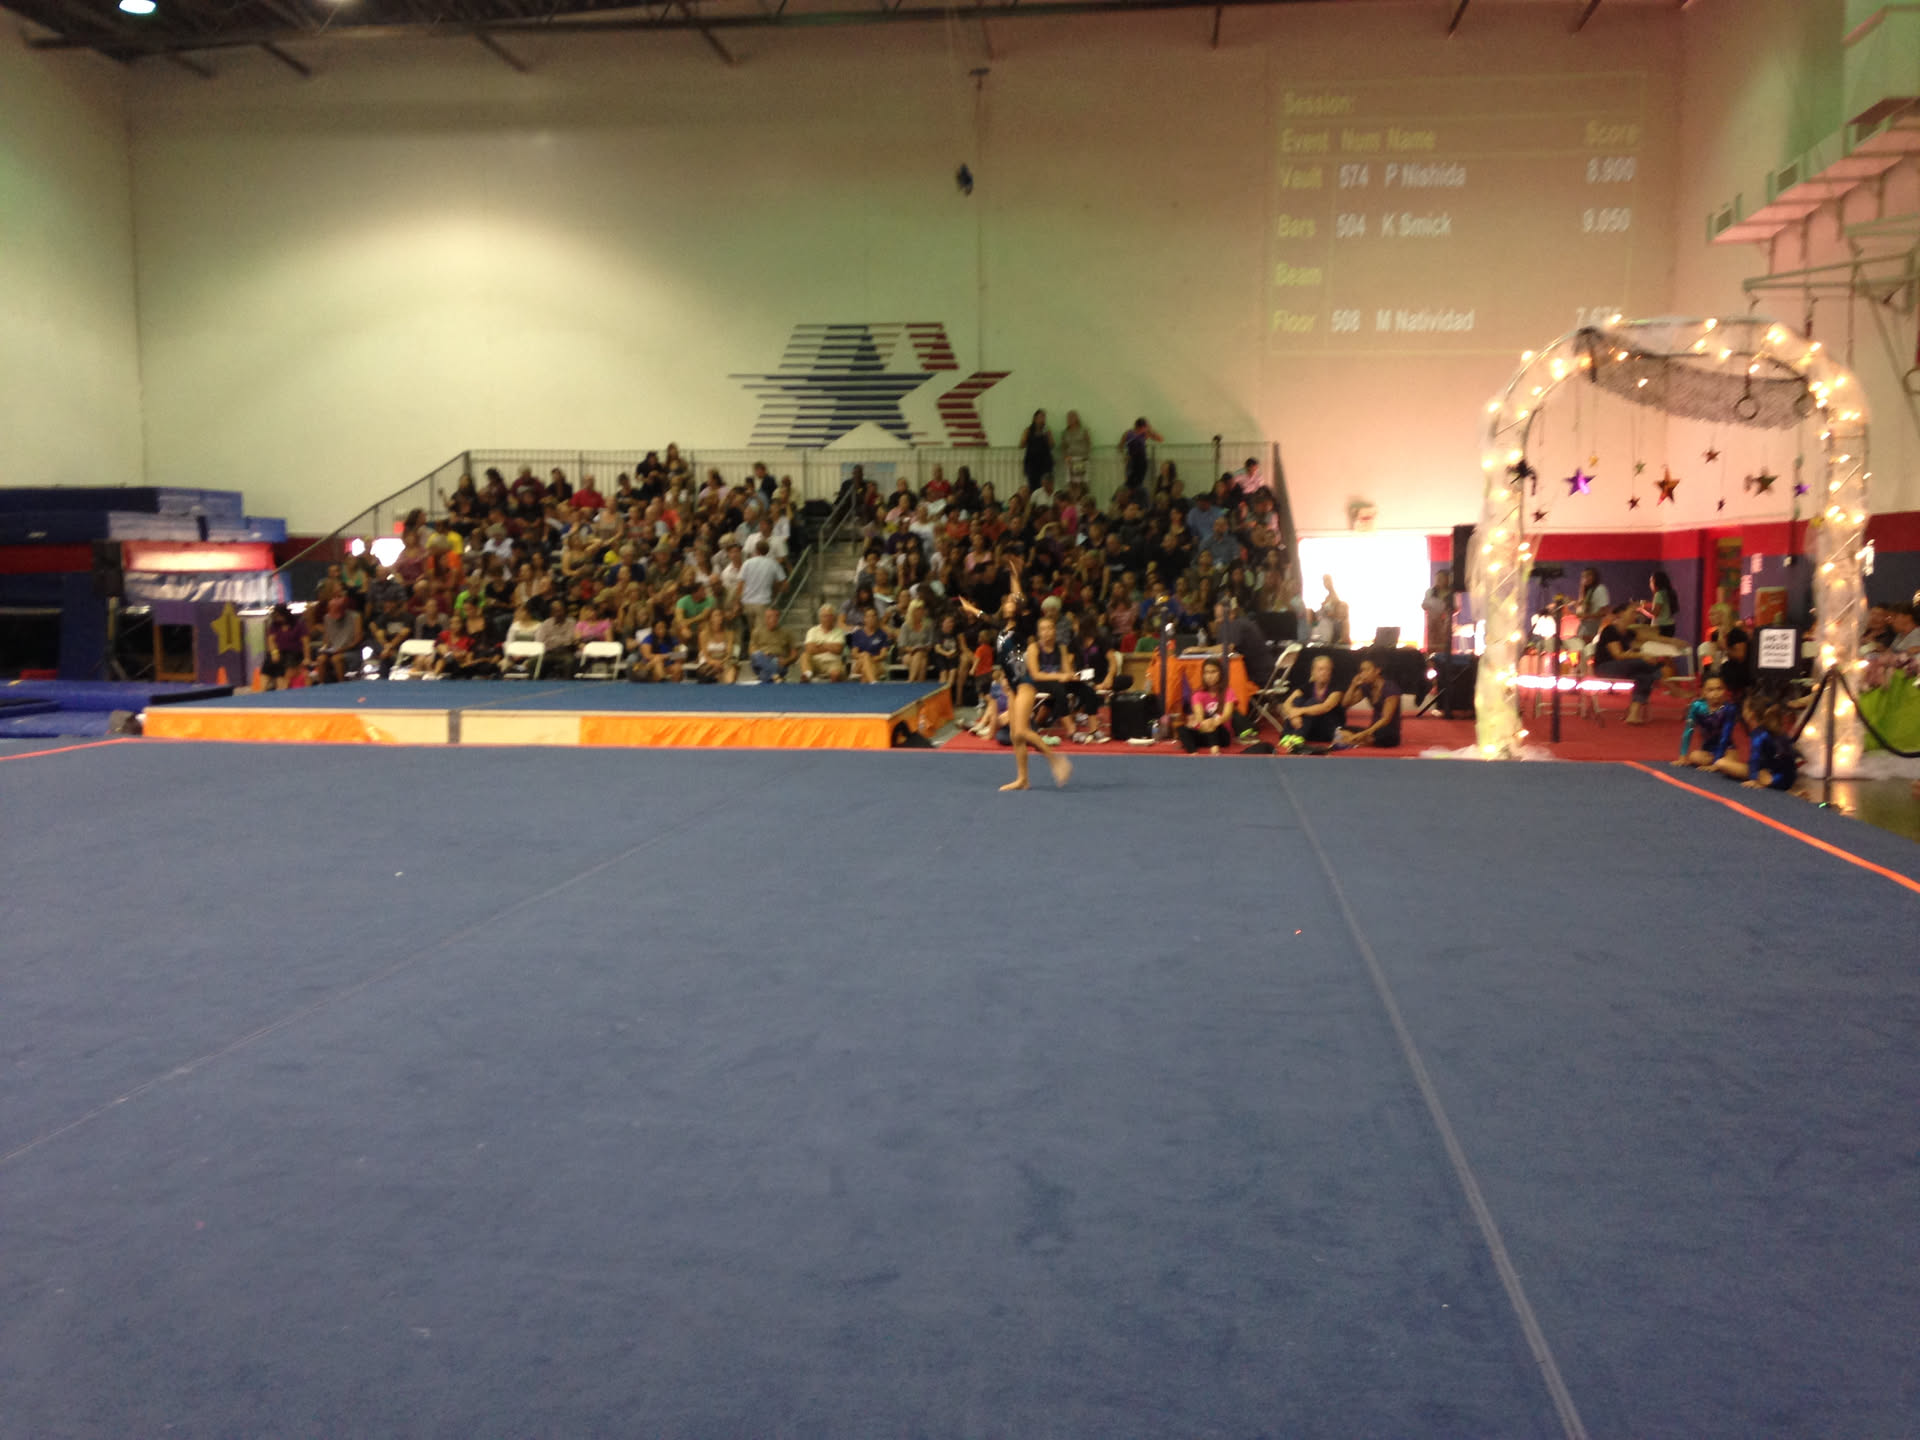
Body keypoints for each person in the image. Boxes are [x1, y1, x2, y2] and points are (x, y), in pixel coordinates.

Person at [959, 588, 1070, 791]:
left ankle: (1056, 760)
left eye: (1012, 601)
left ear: (1017, 607)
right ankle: (1023, 779)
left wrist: (1015, 580)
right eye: (1006, 601)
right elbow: (987, 617)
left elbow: (1020, 599)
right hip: (1011, 685)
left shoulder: (1022, 626)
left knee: (1022, 731)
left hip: (1025, 682)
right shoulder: (1002, 627)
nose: (1008, 603)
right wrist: (970, 609)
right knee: (1015, 736)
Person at [1593, 598, 1660, 724]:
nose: (1636, 615)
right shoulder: (1610, 630)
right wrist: (1642, 656)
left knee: (1644, 675)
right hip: (1605, 667)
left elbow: (1644, 640)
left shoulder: (1629, 633)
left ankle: (1633, 714)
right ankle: (1667, 681)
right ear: (1621, 613)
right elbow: (1618, 655)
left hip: (1626, 666)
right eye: (1633, 612)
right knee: (1647, 664)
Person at [1674, 674, 1739, 770]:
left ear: (1725, 690)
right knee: (1693, 756)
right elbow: (1688, 730)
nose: (1715, 693)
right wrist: (1682, 756)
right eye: (1710, 690)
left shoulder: (1729, 708)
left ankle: (1719, 762)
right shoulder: (1696, 707)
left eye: (1719, 689)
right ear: (1703, 692)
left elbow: (1725, 736)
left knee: (1728, 760)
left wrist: (1715, 764)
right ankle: (1719, 763)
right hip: (1708, 750)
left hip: (1727, 749)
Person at [1280, 654, 1345, 748]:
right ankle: (1288, 735)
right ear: (1313, 672)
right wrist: (1294, 716)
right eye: (1320, 669)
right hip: (1309, 727)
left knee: (1313, 701)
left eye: (1327, 669)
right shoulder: (1308, 686)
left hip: (1328, 728)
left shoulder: (1337, 688)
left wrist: (1299, 711)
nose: (1323, 672)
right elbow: (1287, 703)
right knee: (1297, 701)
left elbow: (1325, 707)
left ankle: (1298, 736)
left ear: (1331, 672)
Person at [1335, 657, 1401, 748]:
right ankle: (1358, 740)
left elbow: (1386, 719)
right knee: (1340, 729)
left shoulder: (1390, 688)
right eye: (1361, 671)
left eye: (1367, 670)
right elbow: (1345, 704)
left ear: (1377, 671)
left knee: (1382, 734)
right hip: (1372, 730)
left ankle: (1356, 740)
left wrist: (1364, 733)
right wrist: (1353, 685)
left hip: (1388, 732)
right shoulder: (1366, 687)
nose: (1363, 674)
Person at [1178, 656, 1240, 754]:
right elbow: (1200, 718)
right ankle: (1193, 753)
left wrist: (1214, 722)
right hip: (1205, 732)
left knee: (1210, 719)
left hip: (1222, 735)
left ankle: (1215, 750)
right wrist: (1205, 723)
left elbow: (1226, 715)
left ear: (1220, 673)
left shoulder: (1228, 691)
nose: (1209, 676)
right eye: (1206, 673)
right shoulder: (1197, 694)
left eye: (1213, 672)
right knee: (1181, 729)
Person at [313, 594, 364, 684]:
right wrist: (324, 649)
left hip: (351, 651)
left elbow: (358, 639)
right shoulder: (327, 618)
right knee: (321, 659)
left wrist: (342, 649)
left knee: (336, 659)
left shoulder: (355, 617)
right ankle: (321, 685)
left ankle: (341, 684)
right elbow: (326, 640)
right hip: (334, 650)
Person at [748, 607, 796, 683]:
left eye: (775, 616)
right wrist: (763, 656)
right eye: (769, 617)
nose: (772, 619)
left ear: (778, 618)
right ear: (765, 618)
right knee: (757, 655)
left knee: (765, 674)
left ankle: (769, 676)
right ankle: (775, 676)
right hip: (760, 662)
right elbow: (752, 651)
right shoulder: (757, 631)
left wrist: (786, 661)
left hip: (779, 662)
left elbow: (794, 654)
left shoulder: (787, 633)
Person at [802, 604, 850, 682]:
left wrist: (819, 645)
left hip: (833, 662)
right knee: (804, 655)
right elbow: (809, 649)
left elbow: (838, 650)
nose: (827, 619)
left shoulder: (839, 632)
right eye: (824, 616)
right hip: (815, 662)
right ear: (820, 618)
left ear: (834, 617)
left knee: (836, 674)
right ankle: (807, 675)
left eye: (829, 616)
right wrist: (830, 646)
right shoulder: (812, 631)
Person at [1118, 417, 1163, 497]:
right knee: (1129, 483)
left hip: (1141, 462)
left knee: (1138, 483)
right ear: (1138, 427)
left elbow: (1160, 439)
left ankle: (1134, 497)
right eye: (1144, 427)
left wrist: (1151, 430)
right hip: (1132, 461)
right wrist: (1124, 456)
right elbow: (1120, 447)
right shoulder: (1128, 433)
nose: (1143, 430)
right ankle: (1126, 497)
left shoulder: (1145, 433)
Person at [847, 607, 891, 684]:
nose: (871, 619)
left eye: (873, 616)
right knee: (866, 657)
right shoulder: (857, 634)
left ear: (876, 618)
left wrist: (869, 659)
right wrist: (865, 656)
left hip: (877, 663)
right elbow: (854, 654)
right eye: (868, 616)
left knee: (865, 672)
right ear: (864, 619)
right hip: (859, 663)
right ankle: (873, 682)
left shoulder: (882, 635)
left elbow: (883, 655)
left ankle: (871, 683)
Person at [1020, 409, 1055, 490]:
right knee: (1033, 486)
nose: (1042, 420)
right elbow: (1021, 445)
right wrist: (1025, 437)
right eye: (1040, 417)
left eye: (1044, 417)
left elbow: (1052, 445)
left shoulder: (1047, 431)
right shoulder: (1028, 430)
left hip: (1045, 463)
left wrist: (1048, 435)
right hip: (1032, 463)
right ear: (1035, 419)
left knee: (1046, 485)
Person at [1422, 569, 1455, 654]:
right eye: (1437, 578)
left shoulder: (1453, 593)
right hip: (1433, 625)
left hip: (1446, 626)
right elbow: (1424, 605)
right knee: (1432, 650)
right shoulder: (1430, 592)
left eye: (1441, 578)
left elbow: (1456, 607)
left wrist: (1446, 610)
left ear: (1447, 579)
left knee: (1445, 649)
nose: (1438, 580)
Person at [1574, 568, 1611, 644]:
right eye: (1583, 576)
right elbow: (1581, 607)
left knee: (1584, 646)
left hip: (1592, 626)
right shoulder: (1589, 591)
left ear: (1594, 577)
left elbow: (1604, 611)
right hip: (1584, 626)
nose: (1585, 578)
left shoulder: (1600, 589)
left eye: (1588, 575)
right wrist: (1582, 588)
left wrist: (1586, 616)